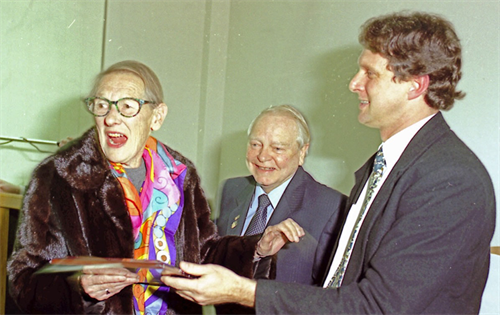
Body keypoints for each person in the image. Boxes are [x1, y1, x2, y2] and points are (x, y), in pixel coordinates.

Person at [161, 11, 496, 315]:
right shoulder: (386, 166)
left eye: (370, 74)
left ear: (415, 85)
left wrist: (243, 291)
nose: (354, 83)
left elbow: (380, 306)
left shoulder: (449, 178)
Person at [7, 60, 304, 315]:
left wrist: (256, 248)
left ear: (157, 116)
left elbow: (202, 253)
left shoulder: (180, 175)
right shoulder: (58, 176)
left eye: (127, 107)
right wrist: (78, 285)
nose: (111, 118)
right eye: (101, 106)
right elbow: (23, 279)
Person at [216, 105, 345, 285]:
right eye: (255, 145)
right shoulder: (232, 189)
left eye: (277, 148)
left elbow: (329, 293)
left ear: (302, 152)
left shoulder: (332, 207)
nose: (262, 156)